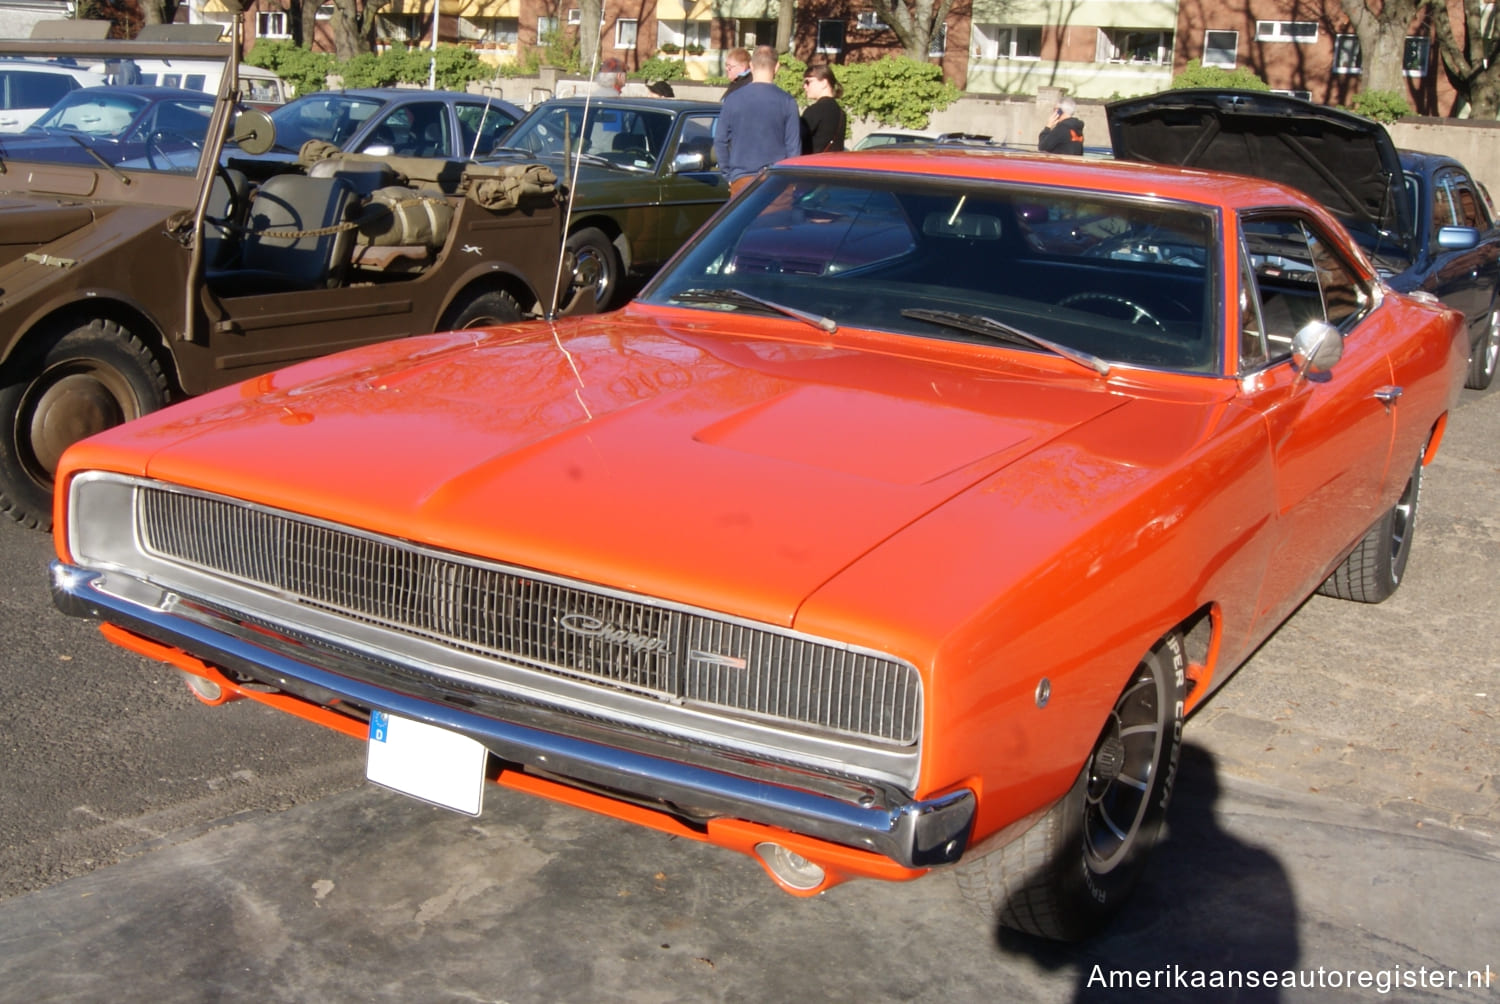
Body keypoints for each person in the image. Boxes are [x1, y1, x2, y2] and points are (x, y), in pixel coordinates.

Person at [714, 46, 800, 196]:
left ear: (751, 66)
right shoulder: (787, 101)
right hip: (777, 181)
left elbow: (720, 141)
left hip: (741, 179)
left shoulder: (733, 99)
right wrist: (792, 180)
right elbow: (793, 146)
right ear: (777, 67)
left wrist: (729, 174)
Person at [800, 63, 846, 154]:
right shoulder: (841, 113)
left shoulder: (815, 111)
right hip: (831, 166)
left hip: (811, 165)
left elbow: (796, 139)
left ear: (824, 83)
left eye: (808, 82)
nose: (804, 86)